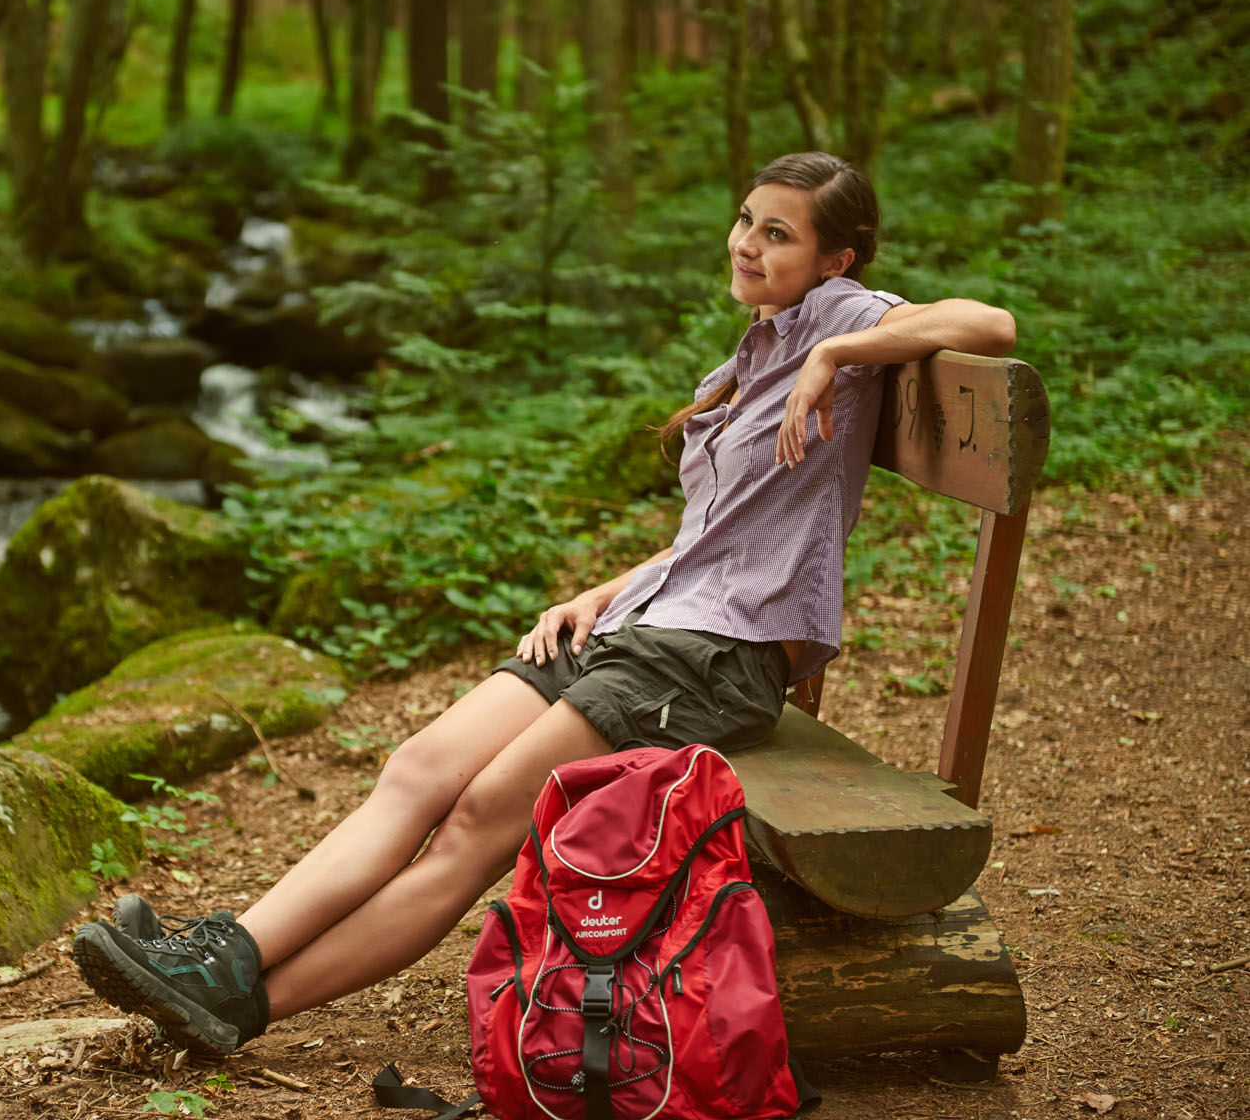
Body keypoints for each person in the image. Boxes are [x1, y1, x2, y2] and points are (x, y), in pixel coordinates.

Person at [71, 151, 1017, 1056]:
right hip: (650, 620)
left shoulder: (836, 322)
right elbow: (719, 537)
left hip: (716, 659)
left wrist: (840, 349)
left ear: (835, 260)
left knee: (481, 820)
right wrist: (601, 593)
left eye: (778, 233)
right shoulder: (750, 350)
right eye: (744, 219)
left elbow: (991, 325)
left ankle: (243, 1001)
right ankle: (220, 955)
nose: (746, 242)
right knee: (418, 766)